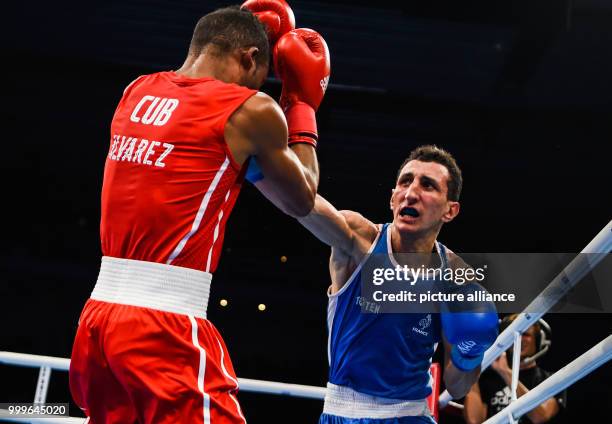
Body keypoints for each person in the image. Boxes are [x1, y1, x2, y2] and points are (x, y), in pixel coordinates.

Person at [68, 4, 330, 423]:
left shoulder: (136, 91)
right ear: (249, 58)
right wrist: (301, 104)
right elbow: (301, 199)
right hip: (162, 328)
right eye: (261, 72)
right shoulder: (252, 110)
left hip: (97, 320)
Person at [250, 145, 499, 423]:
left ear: (450, 211)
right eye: (405, 181)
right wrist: (257, 166)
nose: (411, 192)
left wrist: (470, 353)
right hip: (344, 413)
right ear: (393, 198)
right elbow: (303, 206)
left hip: (411, 416)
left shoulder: (456, 279)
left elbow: (457, 387)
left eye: (427, 185)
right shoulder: (359, 240)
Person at [463, 315, 566, 424]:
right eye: (515, 335)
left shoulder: (551, 379)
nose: (519, 339)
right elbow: (474, 421)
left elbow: (540, 417)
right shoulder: (489, 379)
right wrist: (473, 373)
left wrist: (506, 372)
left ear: (537, 340)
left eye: (525, 334)